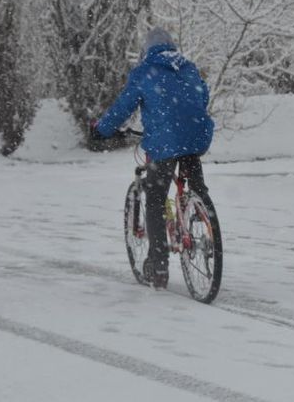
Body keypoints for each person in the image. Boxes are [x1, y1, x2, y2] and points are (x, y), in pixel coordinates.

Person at [90, 27, 214, 288]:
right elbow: (202, 95)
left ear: (146, 50)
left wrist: (101, 130)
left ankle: (158, 267)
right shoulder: (188, 67)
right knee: (197, 186)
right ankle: (205, 218)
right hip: (196, 136)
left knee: (156, 199)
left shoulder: (144, 71)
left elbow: (123, 107)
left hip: (164, 142)